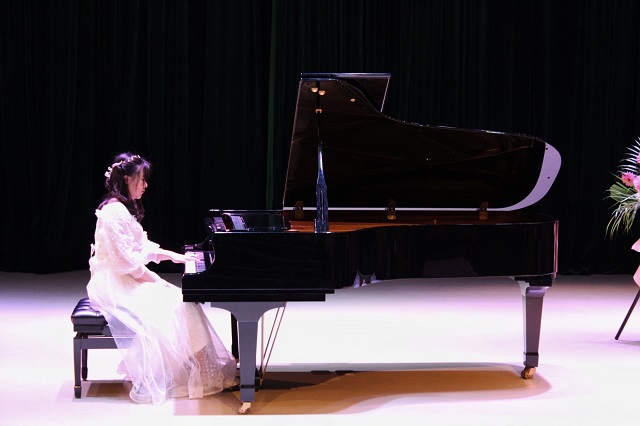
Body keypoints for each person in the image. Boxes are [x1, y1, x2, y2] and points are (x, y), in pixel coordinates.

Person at [86, 152, 237, 404]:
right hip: (114, 283)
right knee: (179, 301)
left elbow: (139, 247)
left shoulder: (120, 209)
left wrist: (173, 256)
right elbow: (127, 263)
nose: (145, 185)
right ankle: (202, 373)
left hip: (125, 276)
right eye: (142, 179)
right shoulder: (114, 213)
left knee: (182, 300)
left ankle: (202, 370)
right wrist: (155, 280)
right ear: (127, 179)